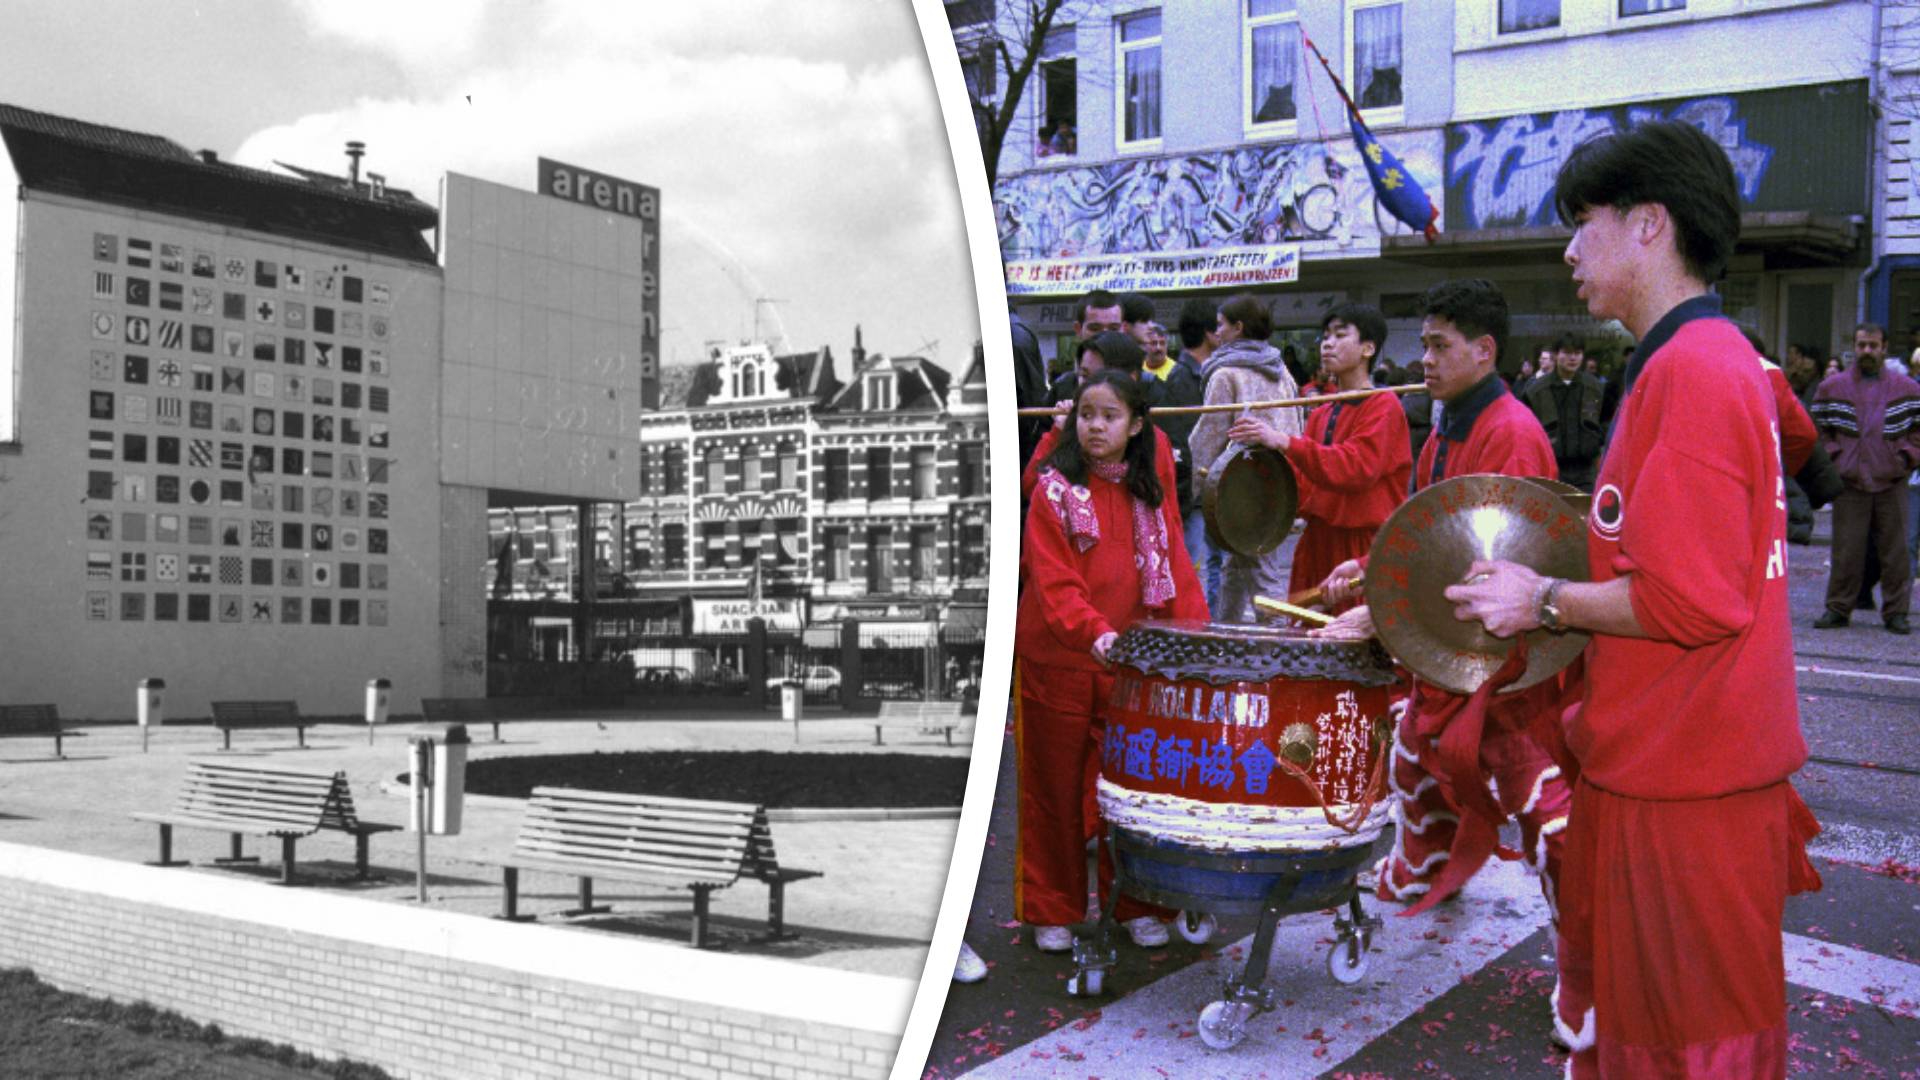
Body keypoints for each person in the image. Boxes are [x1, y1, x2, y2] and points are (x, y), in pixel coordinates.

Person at [1446, 119, 1821, 1078]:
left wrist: (1545, 601)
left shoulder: (1692, 370)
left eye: (1585, 222)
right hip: (1682, 764)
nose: (1570, 250)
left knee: (1689, 1050)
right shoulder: (1706, 360)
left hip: (1684, 778)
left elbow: (1690, 602)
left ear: (1649, 224)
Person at [1312, 278, 1582, 1046]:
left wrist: (1381, 611)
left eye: (1438, 345)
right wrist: (1369, 569)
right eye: (1423, 344)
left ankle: (1583, 970)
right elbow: (1428, 532)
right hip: (1453, 653)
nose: (1422, 358)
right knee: (1413, 754)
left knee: (1546, 817)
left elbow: (1497, 572)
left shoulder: (1512, 431)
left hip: (1505, 662)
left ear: (1483, 350)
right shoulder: (1446, 426)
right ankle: (1424, 861)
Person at [1014, 370, 1208, 953]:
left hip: (1131, 670)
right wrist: (1097, 634)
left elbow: (1177, 570)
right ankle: (1051, 909)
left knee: (1130, 793)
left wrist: (1195, 642)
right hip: (1059, 662)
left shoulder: (1149, 492)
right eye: (1087, 415)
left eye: (1110, 416)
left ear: (1137, 425)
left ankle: (1136, 903)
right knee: (1051, 791)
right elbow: (1053, 582)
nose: (1095, 427)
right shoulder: (1052, 490)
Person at [1227, 301, 1410, 611]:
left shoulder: (1383, 405)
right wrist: (1250, 474)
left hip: (1361, 546)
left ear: (1367, 348)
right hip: (1316, 541)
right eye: (1325, 336)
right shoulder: (1322, 412)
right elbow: (1302, 484)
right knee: (1307, 636)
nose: (1327, 343)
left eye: (1340, 335)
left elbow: (1354, 467)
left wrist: (1284, 441)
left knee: (1355, 641)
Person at [1187, 294, 1303, 622]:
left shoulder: (1227, 373)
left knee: (1262, 574)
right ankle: (1225, 634)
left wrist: (1190, 486)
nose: (1217, 331)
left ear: (1238, 328)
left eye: (1222, 324)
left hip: (1243, 487)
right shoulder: (1281, 371)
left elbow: (1208, 436)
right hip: (1280, 481)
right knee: (1235, 567)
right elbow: (1298, 425)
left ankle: (1276, 648)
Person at [1811, 323, 1919, 634]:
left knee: (1897, 552)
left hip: (1893, 481)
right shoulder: (1832, 387)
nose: (1867, 352)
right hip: (1850, 483)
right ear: (1854, 347)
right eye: (1861, 345)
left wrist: (1906, 458)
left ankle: (1897, 613)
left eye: (1873, 345)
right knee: (1846, 550)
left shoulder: (1908, 388)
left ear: (1885, 348)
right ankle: (1838, 609)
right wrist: (1835, 457)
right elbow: (1817, 429)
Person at [1175, 298, 1226, 610]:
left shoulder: (1212, 374)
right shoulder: (1180, 379)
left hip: (1214, 490)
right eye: (1219, 327)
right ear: (1210, 334)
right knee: (1195, 568)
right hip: (1193, 495)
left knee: (1215, 566)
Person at [1521, 334, 1606, 490]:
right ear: (1555, 355)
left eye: (1577, 353)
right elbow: (1525, 430)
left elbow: (1606, 421)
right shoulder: (1536, 391)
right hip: (1550, 468)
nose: (1573, 358)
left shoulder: (1595, 388)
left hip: (1587, 471)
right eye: (1567, 353)